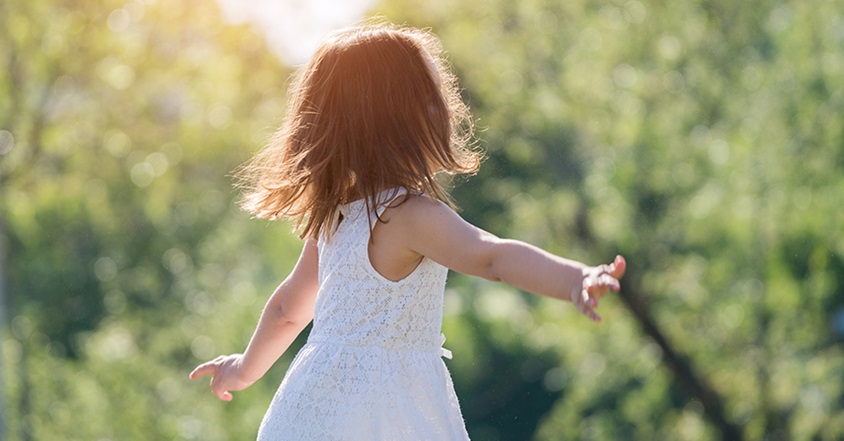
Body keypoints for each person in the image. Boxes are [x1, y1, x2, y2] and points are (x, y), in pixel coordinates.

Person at [189, 20, 626, 440]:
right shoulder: (409, 215)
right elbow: (492, 257)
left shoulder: (335, 217)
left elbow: (289, 309)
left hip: (310, 410)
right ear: (400, 119)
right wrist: (574, 279)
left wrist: (244, 367)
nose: (448, 108)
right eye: (434, 98)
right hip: (388, 411)